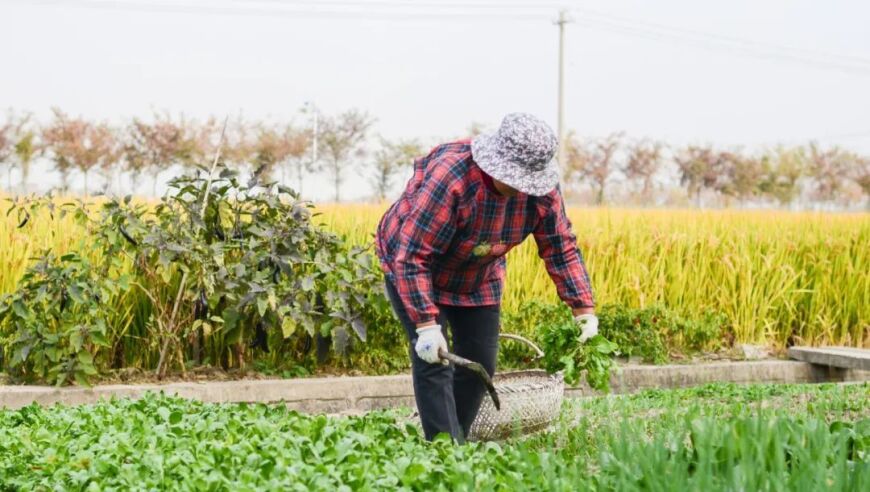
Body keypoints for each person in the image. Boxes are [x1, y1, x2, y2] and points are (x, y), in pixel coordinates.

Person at [375, 113, 597, 442]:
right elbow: (412, 255)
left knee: (481, 363)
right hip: (415, 267)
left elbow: (560, 246)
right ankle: (444, 452)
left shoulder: (542, 193)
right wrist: (425, 325)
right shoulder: (452, 178)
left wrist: (584, 310)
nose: (523, 188)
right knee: (434, 360)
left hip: (478, 275)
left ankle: (457, 441)